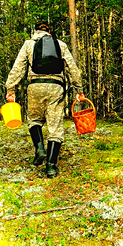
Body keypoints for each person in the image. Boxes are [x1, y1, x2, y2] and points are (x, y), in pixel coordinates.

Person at [5, 20, 86, 178]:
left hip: (35, 87)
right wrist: (79, 90)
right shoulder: (60, 45)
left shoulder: (29, 44)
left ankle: (40, 149)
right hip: (55, 88)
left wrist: (11, 89)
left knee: (34, 119)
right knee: (55, 128)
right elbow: (72, 69)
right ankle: (50, 166)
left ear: (35, 31)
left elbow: (18, 67)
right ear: (49, 32)